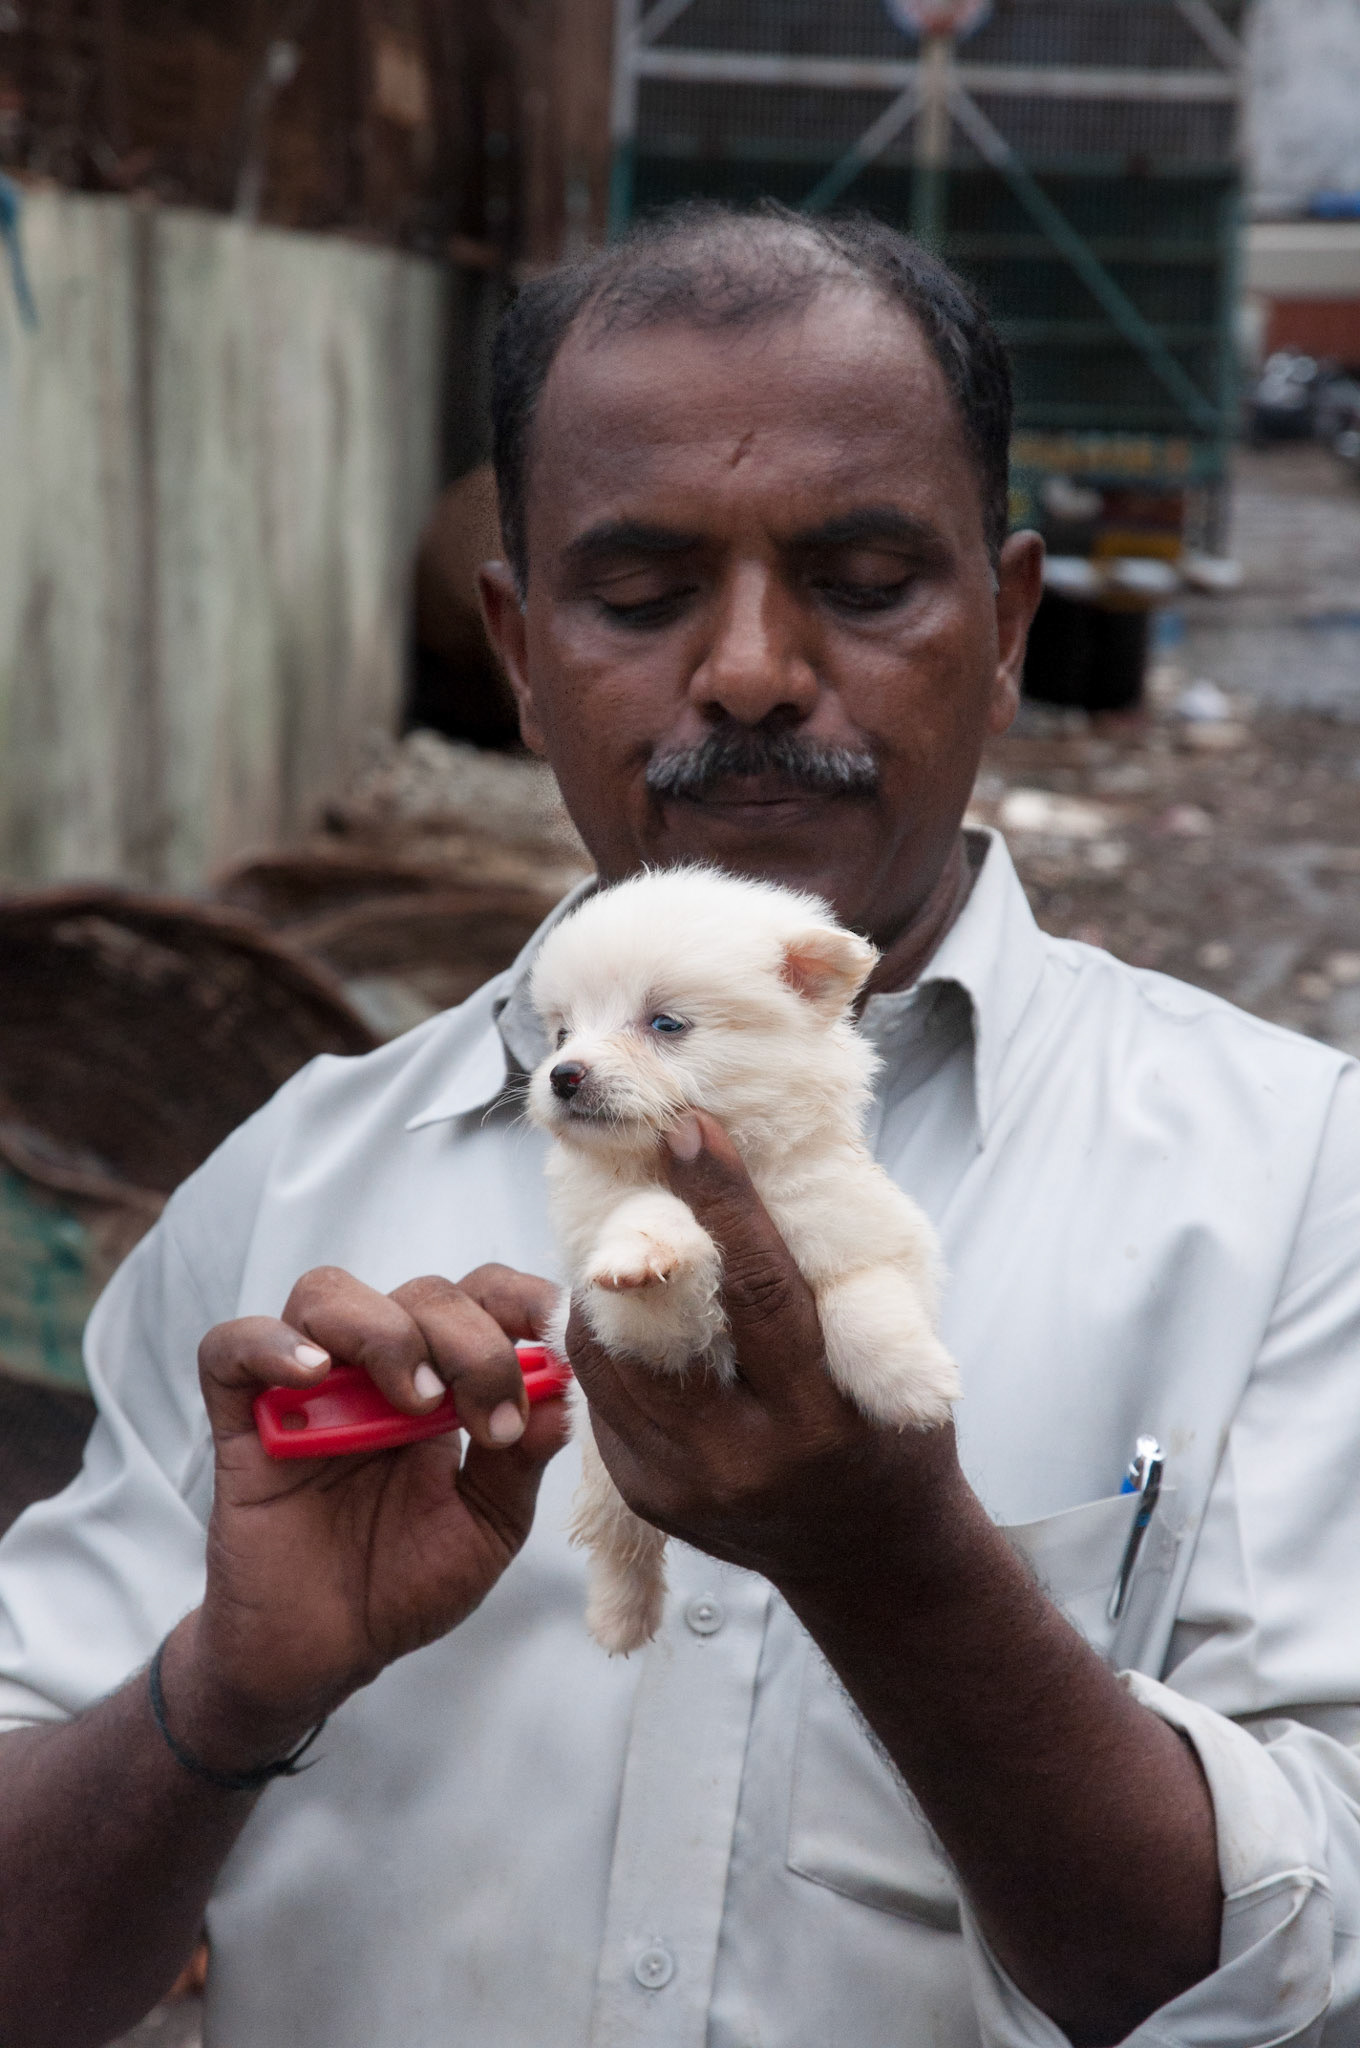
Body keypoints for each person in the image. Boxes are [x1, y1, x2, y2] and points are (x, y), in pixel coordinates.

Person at [1, 202, 1358, 2048]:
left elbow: (1313, 1978)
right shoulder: (296, 1192)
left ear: (1012, 622)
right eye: (638, 597)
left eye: (868, 580)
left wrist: (902, 1572)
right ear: (520, 643)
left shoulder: (1294, 1181)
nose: (746, 672)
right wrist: (220, 1697)